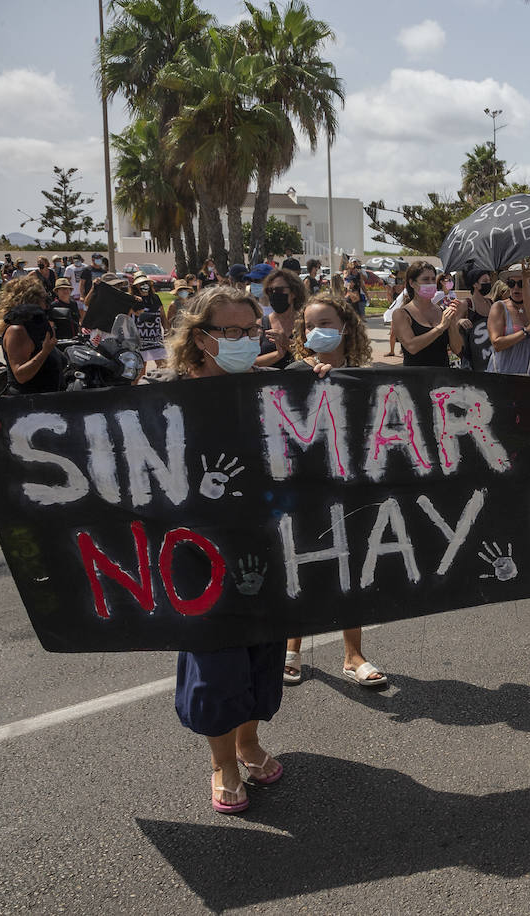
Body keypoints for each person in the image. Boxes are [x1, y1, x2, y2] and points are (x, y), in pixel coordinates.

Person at [150, 285, 286, 813]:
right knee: (217, 663)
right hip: (196, 556)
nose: (242, 340)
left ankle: (248, 743)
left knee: (260, 654)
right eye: (229, 331)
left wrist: (325, 384)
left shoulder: (277, 391)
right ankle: (222, 762)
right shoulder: (163, 392)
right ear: (201, 337)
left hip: (264, 550)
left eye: (250, 331)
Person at [281, 292, 390, 687]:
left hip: (350, 485)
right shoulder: (294, 370)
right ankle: (291, 648)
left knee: (350, 565)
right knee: (302, 563)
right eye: (310, 326)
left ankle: (353, 655)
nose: (317, 332)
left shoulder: (363, 374)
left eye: (325, 324)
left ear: (346, 327)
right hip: (304, 486)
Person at [0, 274, 65, 395]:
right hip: (28, 405)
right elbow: (20, 375)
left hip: (47, 401)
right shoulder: (17, 330)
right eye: (44, 299)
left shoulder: (35, 327)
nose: (46, 305)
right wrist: (45, 352)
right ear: (32, 300)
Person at [392, 259, 465, 368]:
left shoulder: (442, 311)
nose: (430, 283)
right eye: (425, 279)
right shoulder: (401, 314)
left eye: (432, 279)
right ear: (412, 283)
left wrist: (452, 323)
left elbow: (457, 349)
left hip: (442, 378)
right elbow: (412, 347)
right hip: (416, 379)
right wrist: (440, 328)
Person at [487, 263, 530, 375]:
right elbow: (497, 344)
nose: (516, 288)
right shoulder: (499, 307)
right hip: (502, 375)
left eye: (521, 283)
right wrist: (526, 331)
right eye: (511, 283)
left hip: (529, 375)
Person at [255, 267, 305, 369]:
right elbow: (251, 362)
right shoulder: (261, 323)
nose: (274, 294)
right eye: (270, 291)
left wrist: (287, 343)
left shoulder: (305, 322)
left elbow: (314, 357)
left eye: (279, 290)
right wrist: (278, 355)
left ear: (294, 293)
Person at [456, 267, 497, 371]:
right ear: (475, 284)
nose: (488, 284)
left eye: (489, 281)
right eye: (484, 281)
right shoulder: (467, 304)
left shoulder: (491, 303)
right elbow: (453, 325)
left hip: (491, 356)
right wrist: (460, 321)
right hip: (472, 358)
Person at [131, 274, 169, 367]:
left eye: (146, 283)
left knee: (163, 367)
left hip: (155, 338)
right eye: (141, 283)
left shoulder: (155, 298)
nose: (144, 285)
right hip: (140, 341)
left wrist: (167, 330)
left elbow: (163, 315)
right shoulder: (132, 299)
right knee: (140, 371)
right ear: (136, 286)